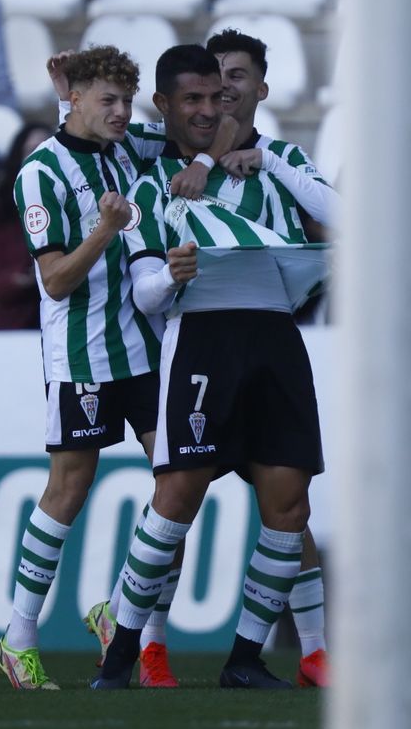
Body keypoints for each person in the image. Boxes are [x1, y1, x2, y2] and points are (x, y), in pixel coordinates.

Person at [91, 44, 338, 690]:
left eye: (217, 95)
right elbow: (145, 293)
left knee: (289, 503)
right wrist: (171, 278)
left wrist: (269, 164)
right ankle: (121, 655)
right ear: (166, 106)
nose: (209, 107)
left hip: (276, 337)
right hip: (201, 339)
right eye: (194, 98)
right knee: (175, 499)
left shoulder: (278, 161)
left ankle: (245, 660)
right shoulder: (151, 186)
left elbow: (344, 218)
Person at [0, 45, 220, 690]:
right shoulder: (40, 174)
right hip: (82, 355)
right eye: (109, 101)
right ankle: (18, 637)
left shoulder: (131, 146)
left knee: (181, 485)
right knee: (68, 490)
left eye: (126, 100)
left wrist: (209, 159)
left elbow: (201, 130)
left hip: (146, 349)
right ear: (75, 100)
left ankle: (120, 613)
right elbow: (55, 281)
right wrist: (104, 229)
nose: (123, 112)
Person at [0, 120, 53, 330]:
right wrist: (26, 278)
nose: (39, 158)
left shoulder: (75, 207)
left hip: (63, 320)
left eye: (45, 150)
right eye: (31, 150)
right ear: (17, 158)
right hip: (15, 322)